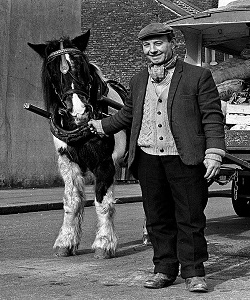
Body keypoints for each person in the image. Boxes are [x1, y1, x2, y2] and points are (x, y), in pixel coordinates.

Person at [88, 22, 225, 293]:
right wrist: (101, 125)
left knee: (189, 217)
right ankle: (164, 269)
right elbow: (128, 114)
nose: (152, 50)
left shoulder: (198, 76)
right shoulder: (138, 80)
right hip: (148, 158)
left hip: (184, 157)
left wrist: (214, 152)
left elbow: (212, 117)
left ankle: (194, 272)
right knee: (157, 218)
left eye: (158, 44)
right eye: (147, 46)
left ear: (172, 43)